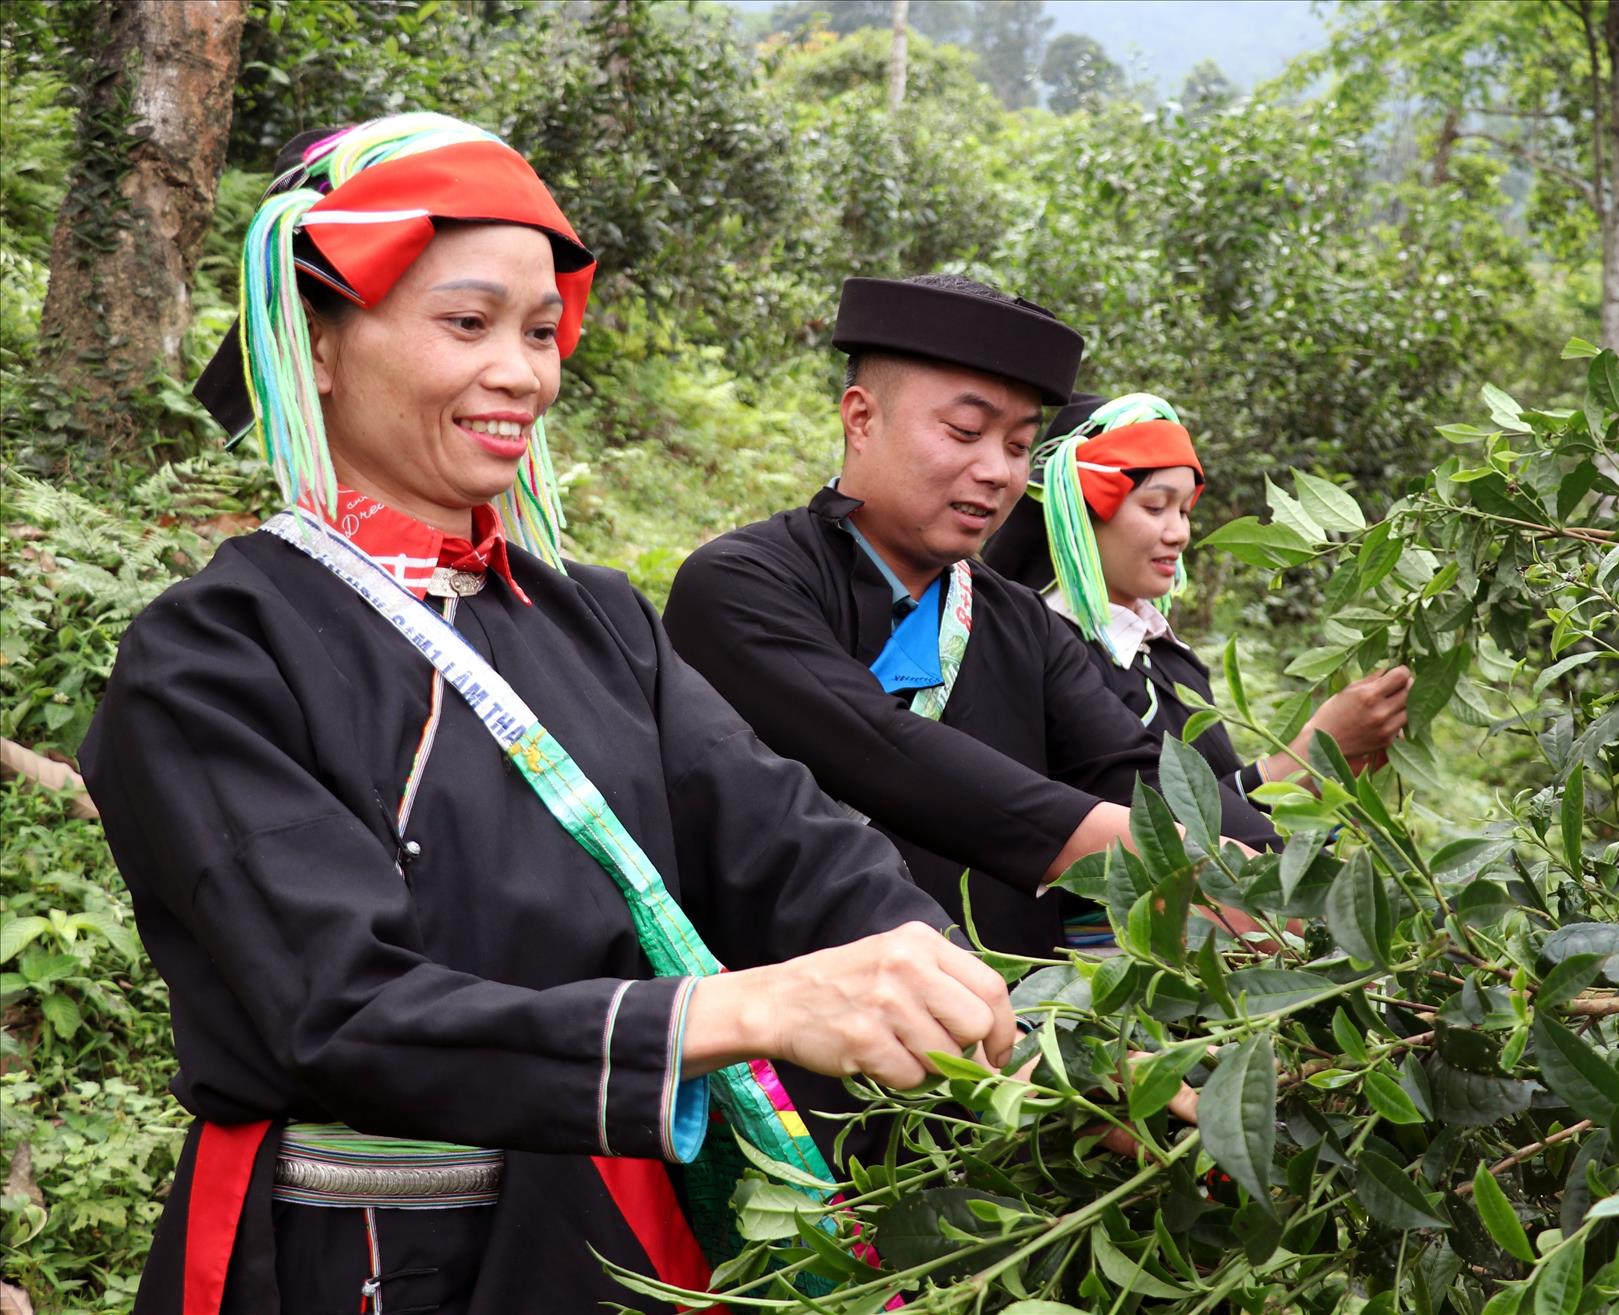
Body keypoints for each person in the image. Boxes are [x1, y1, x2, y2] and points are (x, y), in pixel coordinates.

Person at [80, 115, 1015, 1315]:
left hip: (598, 1236)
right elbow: (338, 1008)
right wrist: (742, 1008)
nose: (523, 374)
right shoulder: (213, 651)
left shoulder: (597, 619)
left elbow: (788, 840)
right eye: (468, 324)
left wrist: (991, 1014)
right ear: (318, 345)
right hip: (361, 1257)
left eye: (537, 330)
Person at [663, 276, 1276, 961]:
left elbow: (1135, 770)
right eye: (965, 432)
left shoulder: (1023, 623)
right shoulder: (740, 585)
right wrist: (1151, 852)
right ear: (861, 418)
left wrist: (1283, 879)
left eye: (1017, 446)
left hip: (1014, 1017)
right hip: (796, 1005)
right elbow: (884, 750)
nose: (997, 472)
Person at [982, 392, 1412, 797]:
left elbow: (1229, 822)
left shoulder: (1174, 661)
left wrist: (1335, 770)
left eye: (1185, 510)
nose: (1180, 533)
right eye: (1156, 507)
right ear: (1080, 510)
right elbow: (1150, 830)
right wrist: (1309, 755)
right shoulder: (1046, 661)